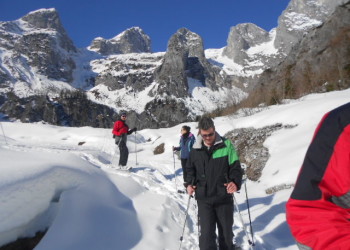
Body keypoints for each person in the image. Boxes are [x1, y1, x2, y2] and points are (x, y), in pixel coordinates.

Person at [286, 102, 350, 249]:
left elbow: (234, 167)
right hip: (221, 191)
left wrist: (235, 181)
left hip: (225, 192)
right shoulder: (342, 123)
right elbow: (310, 211)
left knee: (225, 227)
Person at [186, 116, 243, 250]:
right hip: (204, 198)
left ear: (215, 130)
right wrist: (189, 183)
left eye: (210, 134)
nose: (208, 138)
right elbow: (189, 169)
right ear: (200, 132)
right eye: (204, 135)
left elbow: (235, 167)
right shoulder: (195, 149)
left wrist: (234, 182)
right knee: (206, 238)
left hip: (223, 196)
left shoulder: (226, 145)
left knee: (226, 235)